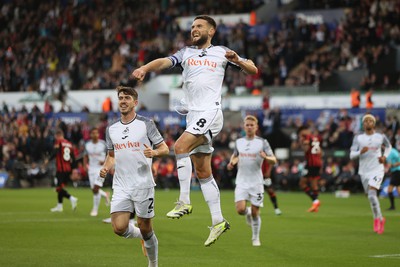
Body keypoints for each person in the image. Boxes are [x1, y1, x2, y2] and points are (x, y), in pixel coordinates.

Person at [132, 15, 258, 246]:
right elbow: (164, 62)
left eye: (199, 26)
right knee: (203, 172)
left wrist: (238, 60)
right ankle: (219, 220)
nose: (194, 29)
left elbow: (253, 70)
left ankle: (183, 201)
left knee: (179, 146)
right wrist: (145, 67)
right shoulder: (186, 53)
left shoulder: (222, 52)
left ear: (211, 31)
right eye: (192, 27)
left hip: (210, 112)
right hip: (194, 115)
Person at [99, 86, 169, 266]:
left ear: (135, 102)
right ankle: (140, 236)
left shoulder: (146, 124)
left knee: (147, 229)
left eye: (127, 98)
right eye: (121, 98)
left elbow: (165, 149)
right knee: (119, 228)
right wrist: (106, 167)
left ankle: (153, 264)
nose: (123, 101)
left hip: (143, 184)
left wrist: (154, 153)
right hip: (121, 185)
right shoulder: (111, 129)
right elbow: (111, 156)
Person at [227, 115, 277, 246]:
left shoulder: (262, 142)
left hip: (256, 182)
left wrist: (266, 158)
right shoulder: (239, 142)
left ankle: (255, 238)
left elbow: (274, 160)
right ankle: (247, 212)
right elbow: (236, 156)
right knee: (240, 210)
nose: (249, 127)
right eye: (247, 125)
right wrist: (232, 162)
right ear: (244, 127)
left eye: (252, 125)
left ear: (256, 127)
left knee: (256, 212)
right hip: (241, 181)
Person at [350, 114, 392, 234]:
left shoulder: (380, 137)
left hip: (377, 169)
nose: (368, 122)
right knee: (370, 198)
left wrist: (384, 156)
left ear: (373, 123)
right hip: (364, 171)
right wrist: (360, 152)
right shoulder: (358, 138)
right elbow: (351, 155)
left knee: (372, 195)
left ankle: (378, 221)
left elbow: (389, 147)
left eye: (370, 121)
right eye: (366, 121)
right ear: (363, 124)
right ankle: (379, 218)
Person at [46, 129, 78, 212]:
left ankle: (72, 198)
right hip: (68, 169)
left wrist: (48, 159)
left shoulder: (59, 142)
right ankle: (59, 206)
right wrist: (74, 168)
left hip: (61, 169)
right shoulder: (69, 144)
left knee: (58, 188)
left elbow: (55, 152)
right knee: (59, 187)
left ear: (58, 135)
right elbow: (73, 158)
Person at [83, 127, 110, 217]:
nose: (95, 135)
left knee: (96, 189)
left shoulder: (103, 144)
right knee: (94, 190)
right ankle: (105, 194)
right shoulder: (87, 145)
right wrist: (85, 165)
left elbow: (110, 155)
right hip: (91, 169)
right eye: (93, 133)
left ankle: (95, 210)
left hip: (101, 169)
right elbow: (85, 156)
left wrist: (105, 161)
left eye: (96, 133)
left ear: (99, 134)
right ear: (90, 134)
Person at [298, 126, 323, 212]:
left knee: (302, 183)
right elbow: (320, 151)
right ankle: (315, 205)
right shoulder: (315, 138)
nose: (301, 135)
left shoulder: (307, 138)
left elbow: (306, 149)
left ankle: (316, 201)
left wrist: (302, 143)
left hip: (311, 164)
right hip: (317, 163)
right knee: (314, 185)